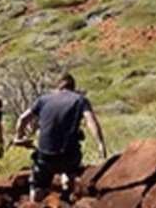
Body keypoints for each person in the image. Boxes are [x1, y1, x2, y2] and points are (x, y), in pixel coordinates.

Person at [14, 73, 107, 203]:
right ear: (73, 87)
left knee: (38, 185)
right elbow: (90, 121)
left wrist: (18, 137)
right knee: (70, 172)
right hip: (69, 155)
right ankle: (66, 195)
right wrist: (100, 143)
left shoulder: (44, 100)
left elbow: (22, 119)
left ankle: (34, 203)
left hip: (45, 155)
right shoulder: (80, 100)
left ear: (58, 86)